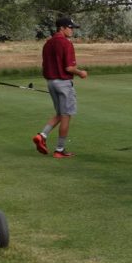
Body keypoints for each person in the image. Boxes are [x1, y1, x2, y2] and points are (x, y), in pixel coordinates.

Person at [32, 17, 88, 158]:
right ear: (62, 28)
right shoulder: (66, 43)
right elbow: (69, 67)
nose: (72, 30)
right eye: (70, 27)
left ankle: (42, 135)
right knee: (66, 116)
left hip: (51, 82)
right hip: (63, 83)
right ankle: (59, 150)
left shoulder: (48, 43)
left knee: (59, 113)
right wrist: (81, 72)